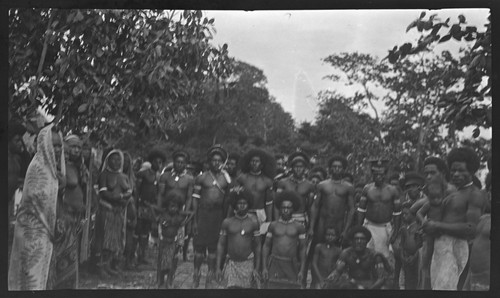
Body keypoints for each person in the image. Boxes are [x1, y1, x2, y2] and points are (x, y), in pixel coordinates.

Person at [9, 124, 66, 290]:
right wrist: (59, 186)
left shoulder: (55, 170)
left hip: (48, 231)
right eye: (53, 145)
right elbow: (37, 202)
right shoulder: (37, 169)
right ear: (44, 145)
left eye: (59, 145)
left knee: (45, 274)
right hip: (34, 232)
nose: (57, 149)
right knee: (33, 275)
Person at [425, 147, 485, 290]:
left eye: (461, 170)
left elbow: (471, 229)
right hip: (440, 246)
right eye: (453, 170)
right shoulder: (451, 192)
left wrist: (438, 226)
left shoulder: (474, 194)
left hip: (456, 247)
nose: (456, 174)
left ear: (471, 171)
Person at [48, 134, 88, 289]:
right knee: (62, 250)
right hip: (64, 215)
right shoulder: (60, 165)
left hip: (75, 215)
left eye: (79, 147)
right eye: (73, 146)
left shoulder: (78, 166)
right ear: (66, 147)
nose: (77, 150)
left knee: (72, 250)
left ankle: (69, 281)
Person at [356, 158, 401, 286]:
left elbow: (397, 213)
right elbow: (361, 210)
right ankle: (367, 282)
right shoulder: (367, 189)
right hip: (369, 226)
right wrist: (359, 229)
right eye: (376, 174)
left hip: (384, 227)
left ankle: (385, 283)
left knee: (384, 258)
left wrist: (395, 232)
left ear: (385, 174)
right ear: (372, 174)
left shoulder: (392, 190)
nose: (378, 177)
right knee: (367, 255)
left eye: (381, 174)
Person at [192, 145, 231, 288]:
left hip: (217, 216)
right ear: (209, 162)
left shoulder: (226, 179)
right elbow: (195, 199)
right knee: (199, 249)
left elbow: (228, 201)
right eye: (214, 160)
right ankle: (196, 274)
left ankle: (210, 276)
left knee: (213, 249)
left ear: (222, 162)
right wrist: (195, 220)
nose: (216, 163)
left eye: (219, 160)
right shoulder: (201, 178)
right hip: (203, 215)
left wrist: (226, 219)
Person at [94, 149, 132, 277]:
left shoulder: (123, 176)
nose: (116, 162)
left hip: (118, 213)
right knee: (102, 239)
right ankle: (99, 267)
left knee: (113, 240)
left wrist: (121, 199)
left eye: (118, 159)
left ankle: (108, 265)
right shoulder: (104, 174)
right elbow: (103, 193)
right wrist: (119, 197)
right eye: (113, 159)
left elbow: (129, 192)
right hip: (106, 210)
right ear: (107, 160)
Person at [216, 188, 261, 289]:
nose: (242, 205)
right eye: (239, 203)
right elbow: (221, 245)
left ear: (249, 204)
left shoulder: (253, 223)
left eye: (244, 203)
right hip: (232, 263)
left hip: (248, 263)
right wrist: (218, 267)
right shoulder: (227, 222)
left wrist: (257, 268)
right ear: (234, 204)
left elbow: (258, 246)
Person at [262, 190, 307, 289]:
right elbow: (266, 246)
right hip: (275, 262)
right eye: (283, 207)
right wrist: (264, 267)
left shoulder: (299, 227)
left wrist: (302, 270)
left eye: (288, 208)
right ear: (279, 208)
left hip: (291, 263)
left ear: (293, 209)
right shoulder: (273, 225)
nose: (285, 210)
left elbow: (303, 249)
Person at [322, 226, 387, 290]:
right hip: (352, 284)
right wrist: (328, 281)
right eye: (356, 239)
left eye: (362, 239)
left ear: (367, 241)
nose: (359, 241)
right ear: (352, 241)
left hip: (370, 284)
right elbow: (337, 271)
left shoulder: (375, 256)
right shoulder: (346, 254)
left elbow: (381, 279)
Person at [309, 155, 355, 246]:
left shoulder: (348, 187)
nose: (337, 169)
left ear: (344, 169)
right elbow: (315, 206)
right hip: (322, 221)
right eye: (334, 167)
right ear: (330, 168)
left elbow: (351, 209)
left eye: (339, 167)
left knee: (336, 249)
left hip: (339, 222)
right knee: (319, 246)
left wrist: (346, 230)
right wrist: (311, 227)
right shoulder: (322, 185)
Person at [135, 149, 166, 265]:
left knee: (145, 231)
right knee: (137, 230)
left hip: (151, 207)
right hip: (141, 205)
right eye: (157, 162)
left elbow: (158, 193)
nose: (159, 165)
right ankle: (131, 256)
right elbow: (137, 190)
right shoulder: (143, 173)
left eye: (161, 162)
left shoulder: (159, 177)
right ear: (152, 161)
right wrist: (136, 203)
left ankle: (142, 256)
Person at [157, 190, 192, 288]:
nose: (173, 208)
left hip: (173, 242)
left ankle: (169, 280)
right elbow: (159, 223)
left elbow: (190, 215)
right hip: (163, 241)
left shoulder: (179, 218)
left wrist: (180, 243)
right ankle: (160, 280)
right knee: (161, 261)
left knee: (172, 262)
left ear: (179, 207)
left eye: (176, 206)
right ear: (167, 206)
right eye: (171, 206)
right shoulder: (163, 215)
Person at [236, 148, 276, 236]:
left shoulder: (267, 181)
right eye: (252, 161)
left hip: (260, 214)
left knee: (258, 239)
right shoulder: (242, 178)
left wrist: (269, 222)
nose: (254, 163)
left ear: (262, 164)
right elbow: (235, 198)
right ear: (249, 163)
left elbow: (269, 203)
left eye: (257, 161)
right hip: (244, 212)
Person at [416, 180, 446, 290]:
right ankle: (425, 270)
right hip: (429, 233)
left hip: (440, 232)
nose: (436, 200)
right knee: (428, 252)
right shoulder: (428, 205)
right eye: (433, 198)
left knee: (439, 253)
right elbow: (418, 213)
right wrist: (423, 221)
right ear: (428, 197)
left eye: (439, 197)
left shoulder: (444, 204)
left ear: (443, 194)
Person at [276, 151, 315, 228]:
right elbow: (276, 204)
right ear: (292, 168)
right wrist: (277, 221)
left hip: (301, 218)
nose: (298, 169)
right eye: (296, 166)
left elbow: (310, 208)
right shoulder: (283, 183)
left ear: (305, 168)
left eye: (301, 167)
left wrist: (311, 227)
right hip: (283, 218)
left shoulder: (309, 185)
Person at [398, 201, 423, 290]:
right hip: (406, 257)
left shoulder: (419, 227)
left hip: (416, 258)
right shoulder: (404, 228)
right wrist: (402, 255)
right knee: (407, 279)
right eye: (403, 214)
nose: (404, 216)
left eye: (406, 214)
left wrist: (415, 256)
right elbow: (401, 244)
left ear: (414, 214)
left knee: (416, 279)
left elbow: (421, 245)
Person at [467, 213, 490, 291]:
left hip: (487, 279)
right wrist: (466, 283)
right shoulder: (484, 218)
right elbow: (476, 248)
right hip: (473, 277)